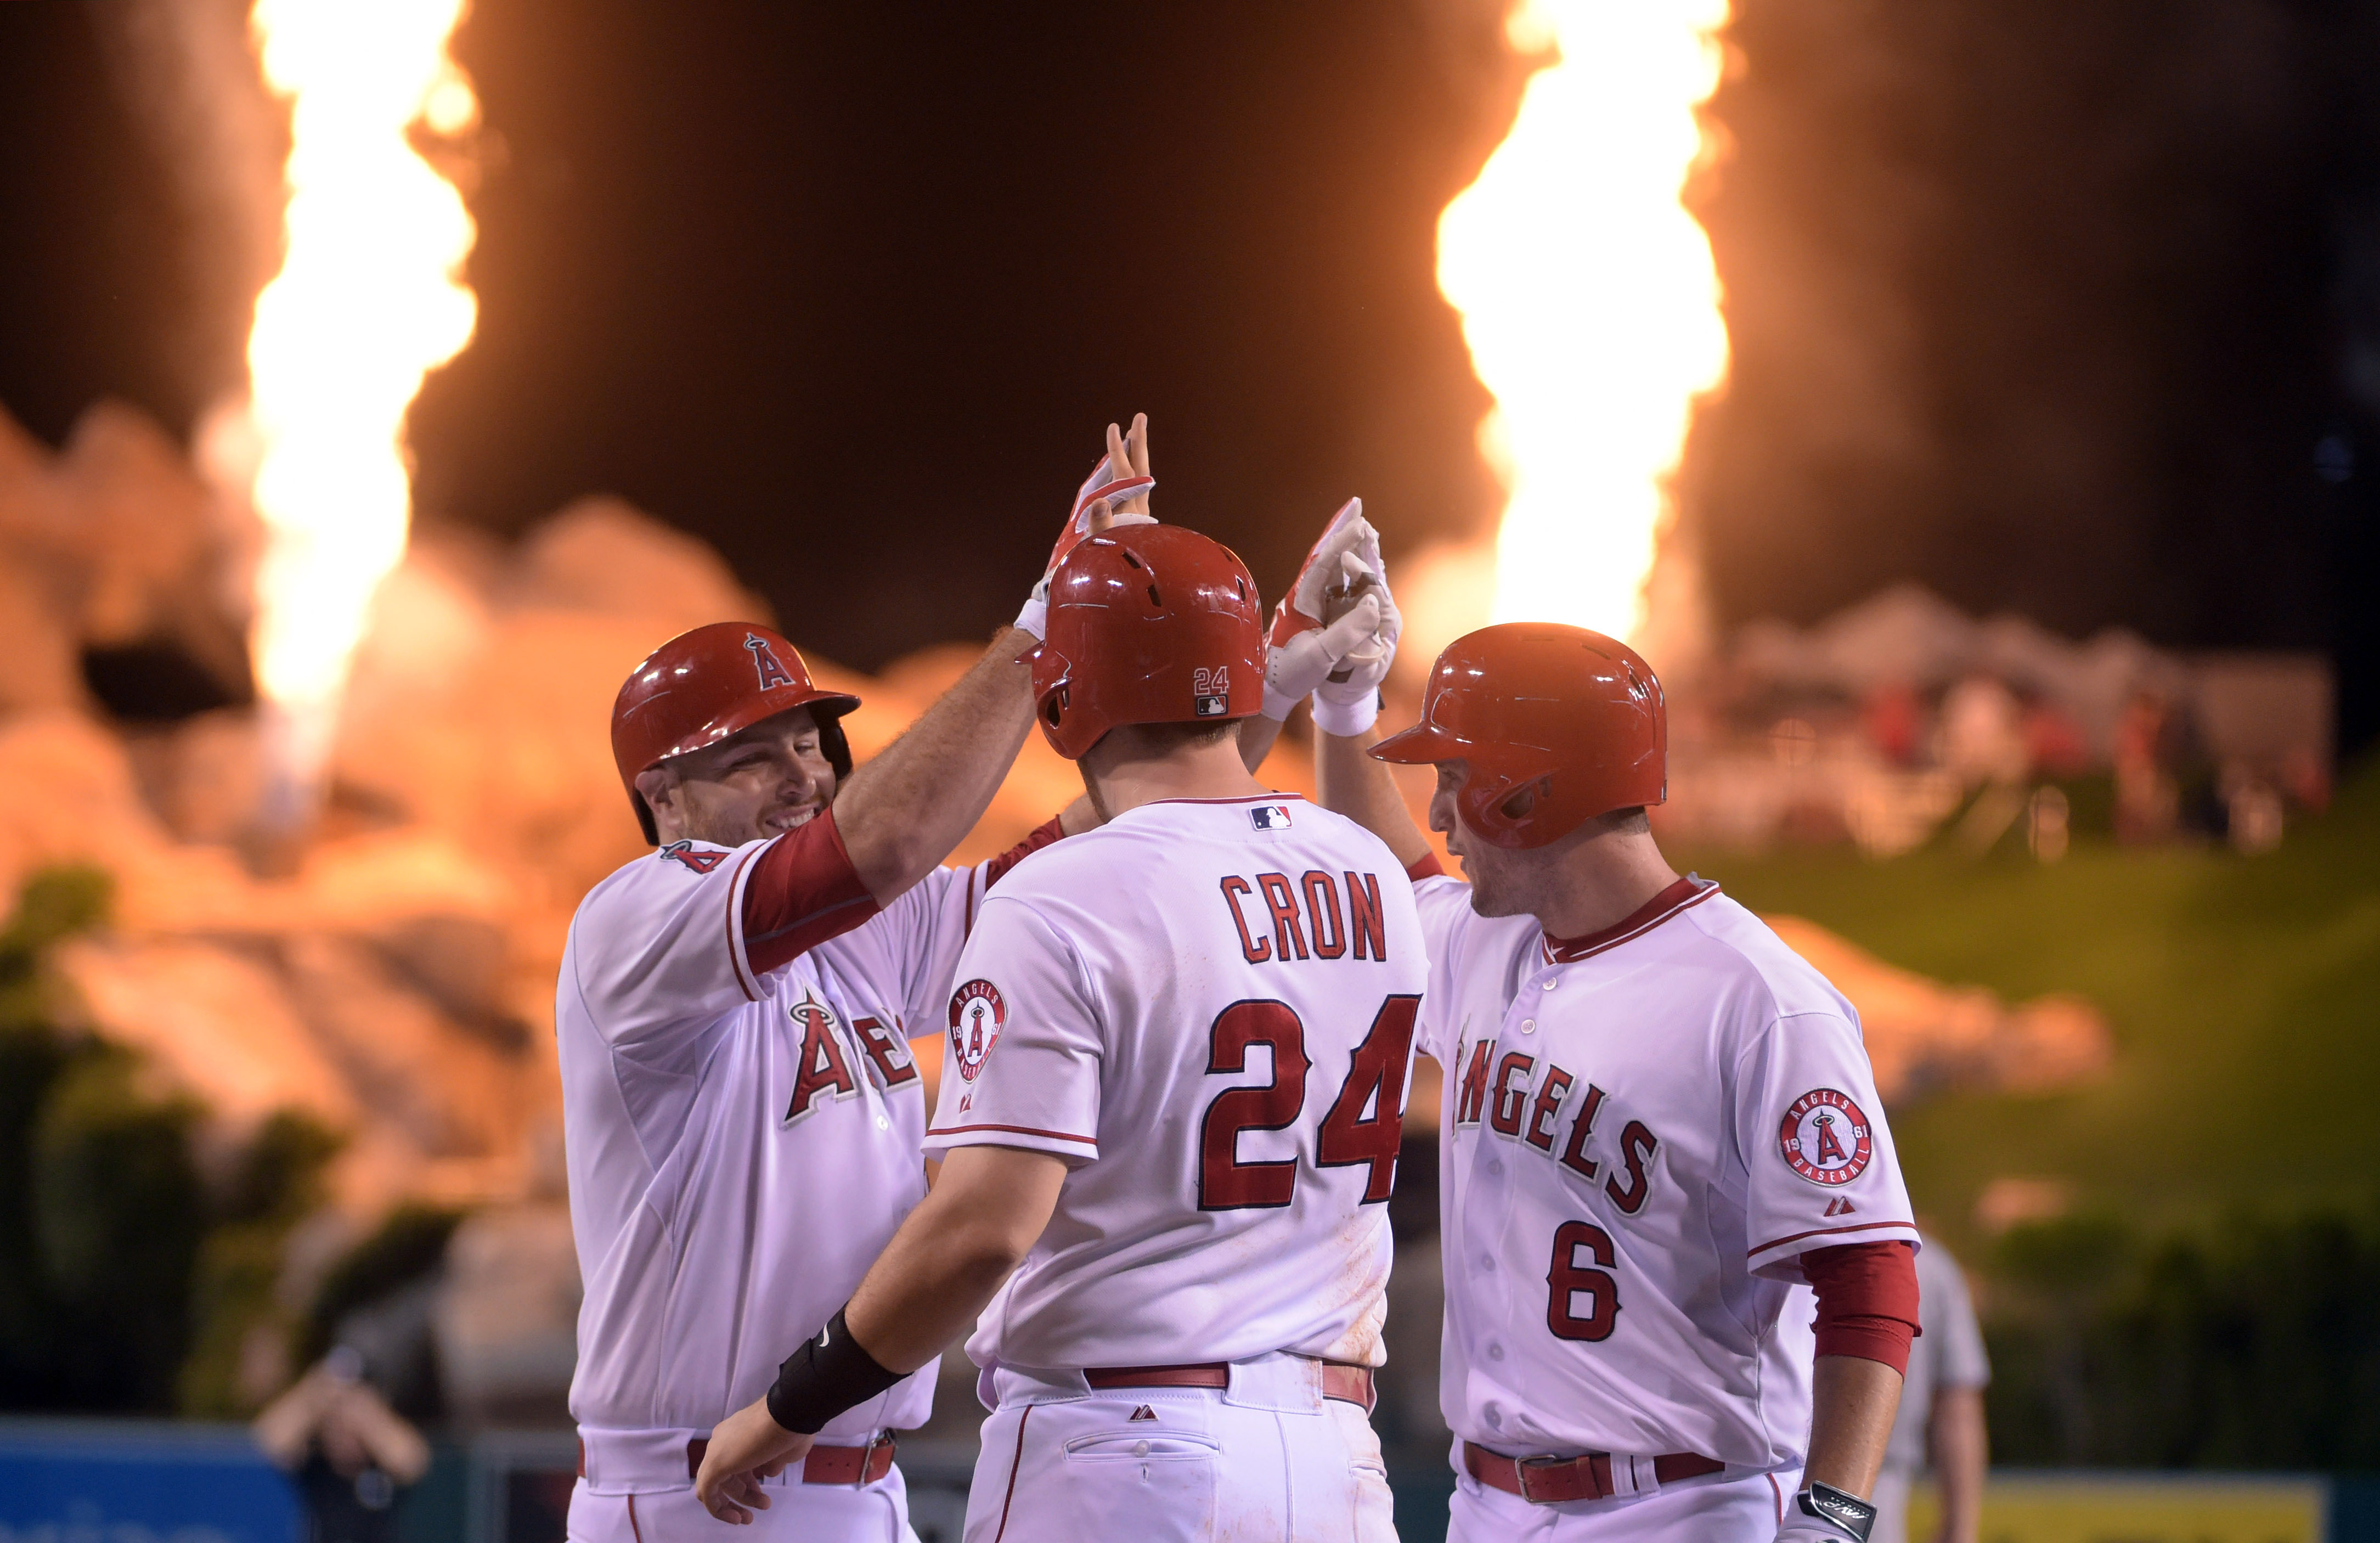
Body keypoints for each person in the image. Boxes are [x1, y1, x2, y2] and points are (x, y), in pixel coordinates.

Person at [691, 519, 1423, 1543]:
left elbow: (983, 1229)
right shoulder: (1367, 869)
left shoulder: (1060, 896)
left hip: (1124, 1453)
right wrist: (1317, 693)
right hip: (1336, 1460)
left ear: (1061, 699)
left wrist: (788, 1409)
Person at [557, 420, 1155, 1542]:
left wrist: (1250, 679)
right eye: (754, 754)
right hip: (702, 1489)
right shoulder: (640, 914)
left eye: (811, 743)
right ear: (665, 798)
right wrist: (1038, 624)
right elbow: (878, 846)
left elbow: (1080, 856)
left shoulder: (847, 935)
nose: (804, 772)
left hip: (849, 1471)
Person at [1305, 577, 1924, 1540]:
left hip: (1680, 1507)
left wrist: (1832, 1516)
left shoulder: (1759, 998)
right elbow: (1391, 867)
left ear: (1528, 794)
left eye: (1456, 780)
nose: (1438, 813)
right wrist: (1341, 701)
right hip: (1485, 1506)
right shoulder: (1487, 942)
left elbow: (1869, 1275)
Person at [1870, 1234, 1989, 1543]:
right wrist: (1960, 1529)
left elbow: (1957, 1406)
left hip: (1751, 1479)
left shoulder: (1931, 1267)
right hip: (1874, 1487)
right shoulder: (1929, 1264)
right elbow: (1957, 1408)